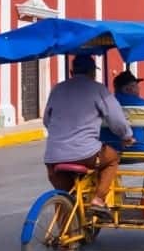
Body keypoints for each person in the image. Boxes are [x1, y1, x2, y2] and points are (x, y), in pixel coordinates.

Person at [43, 55, 132, 221]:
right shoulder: (98, 89)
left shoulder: (57, 89)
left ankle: (65, 242)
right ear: (93, 73)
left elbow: (47, 120)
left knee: (64, 195)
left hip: (53, 158)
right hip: (85, 155)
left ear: (71, 72)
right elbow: (117, 120)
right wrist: (126, 136)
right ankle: (98, 200)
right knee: (112, 158)